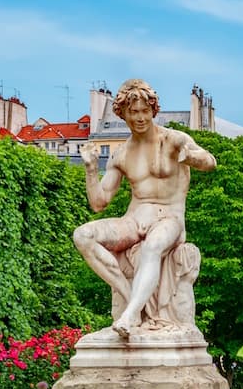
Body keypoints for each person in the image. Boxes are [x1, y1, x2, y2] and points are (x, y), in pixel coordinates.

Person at [74, 79, 216, 338]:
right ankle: (133, 304)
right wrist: (91, 169)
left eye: (145, 111)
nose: (140, 118)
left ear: (153, 111)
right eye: (133, 112)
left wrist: (191, 157)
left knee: (152, 246)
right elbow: (99, 203)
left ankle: (129, 316)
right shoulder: (121, 154)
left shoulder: (173, 140)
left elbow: (210, 161)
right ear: (123, 114)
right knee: (83, 235)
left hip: (169, 218)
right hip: (134, 219)